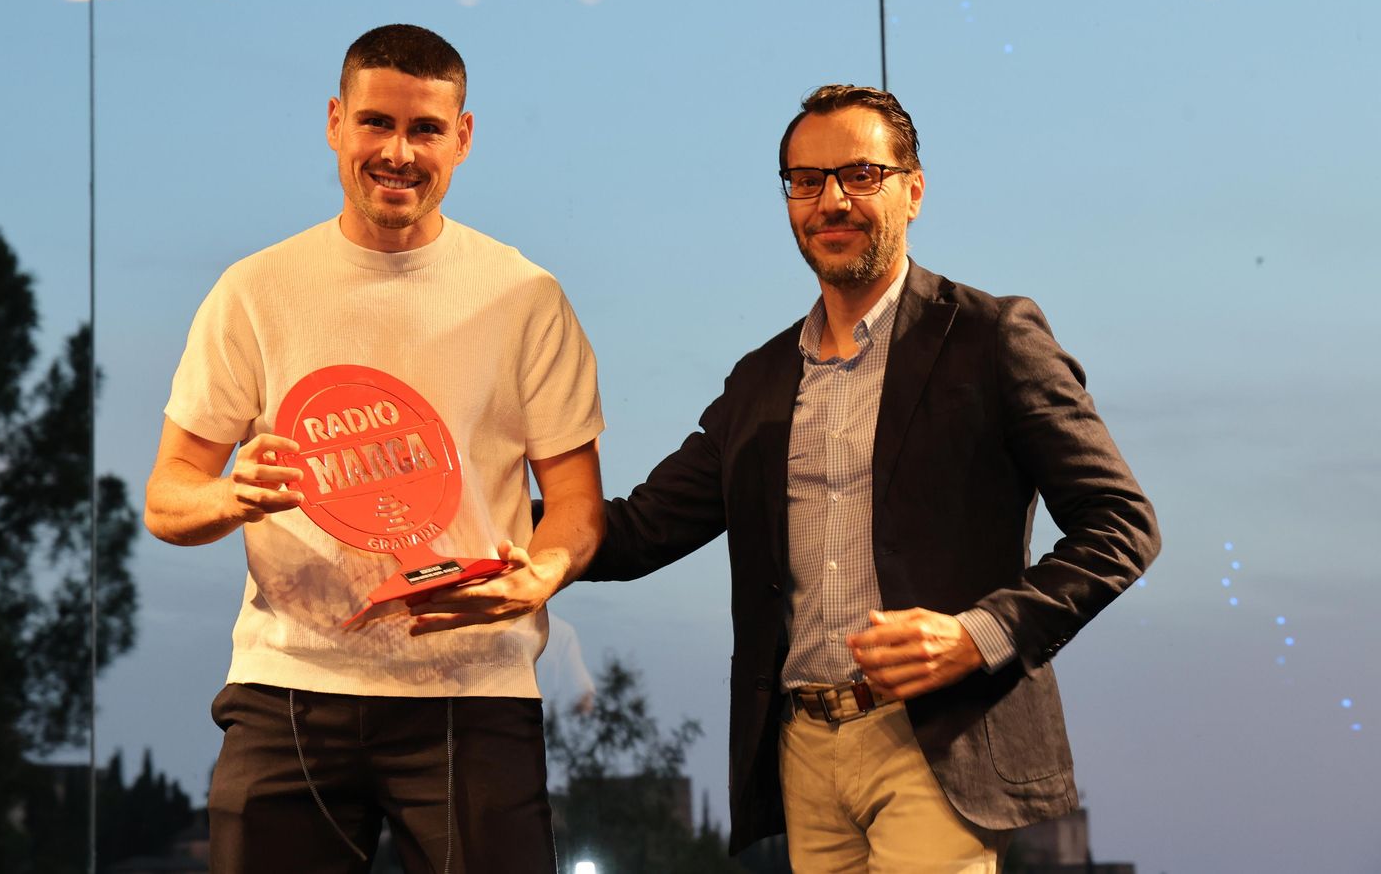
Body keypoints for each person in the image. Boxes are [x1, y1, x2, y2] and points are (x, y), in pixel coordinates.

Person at [411, 84, 1159, 873]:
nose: (831, 200)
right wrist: (464, 522)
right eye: (806, 181)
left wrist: (976, 637)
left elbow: (1121, 525)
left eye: (860, 175)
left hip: (938, 741)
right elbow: (637, 529)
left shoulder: (991, 337)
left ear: (913, 190)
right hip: (804, 751)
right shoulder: (761, 381)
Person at [143, 23, 604, 874]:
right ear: (335, 122)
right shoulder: (254, 290)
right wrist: (231, 494)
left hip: (474, 689)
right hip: (289, 688)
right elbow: (168, 497)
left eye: (425, 129)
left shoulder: (526, 297)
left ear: (462, 137)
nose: (398, 152)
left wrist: (541, 573)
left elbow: (577, 502)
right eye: (376, 123)